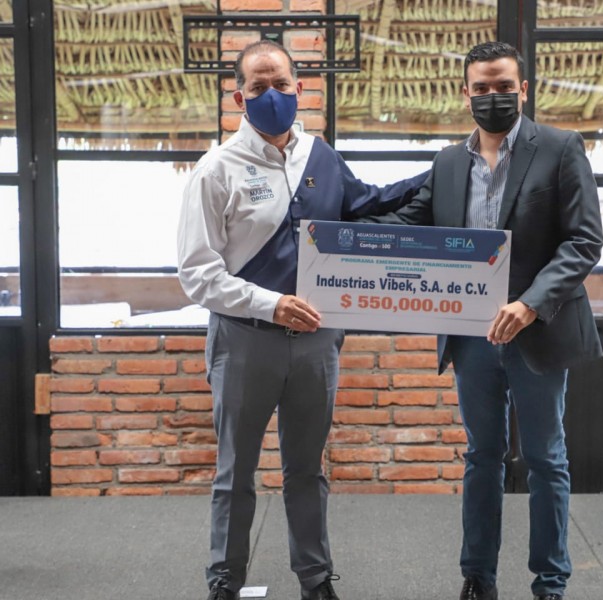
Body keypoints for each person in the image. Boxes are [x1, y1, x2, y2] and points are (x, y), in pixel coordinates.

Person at [177, 40, 426, 600]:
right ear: (239, 97)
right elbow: (197, 274)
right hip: (244, 340)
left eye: (281, 84)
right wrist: (271, 303)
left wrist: (443, 173)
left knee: (307, 470)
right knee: (235, 472)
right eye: (258, 87)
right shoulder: (216, 170)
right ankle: (224, 582)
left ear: (299, 88)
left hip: (316, 342)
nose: (272, 95)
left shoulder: (320, 157)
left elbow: (370, 204)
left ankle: (315, 580)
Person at [361, 41, 603, 600]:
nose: (493, 96)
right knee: (481, 457)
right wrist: (337, 239)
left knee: (545, 458)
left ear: (524, 90)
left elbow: (584, 241)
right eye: (482, 88)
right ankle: (478, 578)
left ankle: (550, 583)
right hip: (471, 336)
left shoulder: (561, 148)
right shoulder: (449, 162)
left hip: (538, 329)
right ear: (465, 93)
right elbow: (412, 222)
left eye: (503, 86)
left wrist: (529, 304)